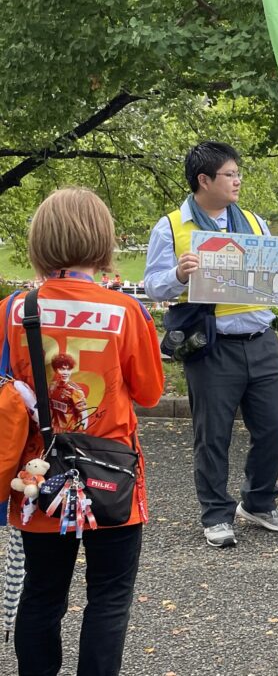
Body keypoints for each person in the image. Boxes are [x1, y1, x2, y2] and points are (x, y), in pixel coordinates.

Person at [2, 187, 164, 676]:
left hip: (38, 476)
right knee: (109, 599)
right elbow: (151, 392)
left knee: (41, 596)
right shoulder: (126, 311)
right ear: (103, 239)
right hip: (111, 473)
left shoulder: (12, 309)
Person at [143, 141, 278, 548]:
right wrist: (179, 272)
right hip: (212, 346)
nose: (237, 180)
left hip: (262, 341)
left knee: (274, 427)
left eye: (237, 173)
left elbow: (272, 276)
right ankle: (215, 513)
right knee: (212, 435)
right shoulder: (173, 226)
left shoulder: (252, 220)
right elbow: (153, 285)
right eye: (230, 174)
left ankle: (259, 501)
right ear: (204, 180)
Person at [48, 353, 89, 433]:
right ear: (56, 369)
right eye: (62, 369)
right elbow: (51, 409)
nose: (65, 372)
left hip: (70, 432)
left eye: (68, 369)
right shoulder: (52, 387)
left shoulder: (75, 390)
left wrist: (80, 433)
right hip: (55, 429)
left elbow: (84, 414)